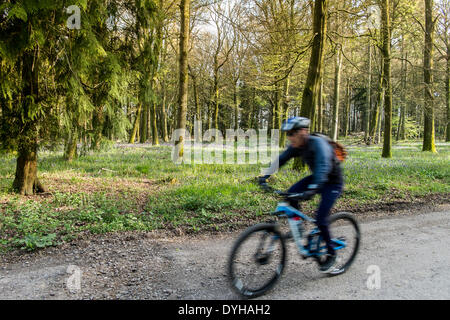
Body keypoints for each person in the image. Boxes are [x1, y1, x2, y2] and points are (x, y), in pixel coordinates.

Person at [258, 116, 344, 273]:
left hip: (332, 182)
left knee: (320, 219)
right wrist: (264, 176)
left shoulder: (318, 144)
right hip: (317, 178)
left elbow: (323, 166)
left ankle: (331, 254)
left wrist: (312, 189)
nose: (289, 137)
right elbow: (281, 160)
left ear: (303, 132)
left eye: (292, 133)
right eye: (287, 134)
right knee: (291, 194)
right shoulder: (296, 146)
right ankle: (299, 228)